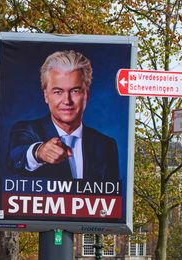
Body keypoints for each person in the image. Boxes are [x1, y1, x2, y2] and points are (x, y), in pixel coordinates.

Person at [7, 50, 119, 183]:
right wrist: (39, 152)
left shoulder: (105, 145)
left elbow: (112, 199)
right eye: (58, 92)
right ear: (46, 95)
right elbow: (15, 157)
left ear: (87, 95)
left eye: (75, 91)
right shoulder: (26, 130)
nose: (67, 100)